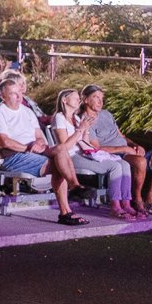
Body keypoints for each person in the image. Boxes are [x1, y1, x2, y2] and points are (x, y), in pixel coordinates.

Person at [0, 77, 86, 225]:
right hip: (13, 156)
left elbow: (39, 136)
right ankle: (67, 209)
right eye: (13, 93)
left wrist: (39, 143)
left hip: (34, 152)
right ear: (3, 96)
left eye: (19, 92)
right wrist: (29, 148)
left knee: (61, 149)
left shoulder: (27, 111)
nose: (19, 96)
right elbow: (4, 141)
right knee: (59, 166)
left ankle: (74, 188)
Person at [78, 83, 152, 217]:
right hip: (116, 155)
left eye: (102, 98)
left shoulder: (106, 114)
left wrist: (134, 145)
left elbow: (121, 136)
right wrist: (124, 148)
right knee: (140, 162)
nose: (100, 101)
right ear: (85, 99)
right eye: (96, 97)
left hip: (128, 150)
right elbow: (96, 148)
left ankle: (149, 200)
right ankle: (137, 200)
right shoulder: (85, 120)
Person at [53, 88, 136, 220]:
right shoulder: (59, 117)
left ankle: (126, 203)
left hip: (84, 153)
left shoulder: (76, 118)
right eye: (76, 98)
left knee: (124, 164)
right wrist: (80, 129)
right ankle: (115, 206)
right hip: (70, 157)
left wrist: (85, 130)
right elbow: (65, 147)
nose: (79, 100)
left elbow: (85, 143)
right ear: (64, 100)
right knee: (114, 167)